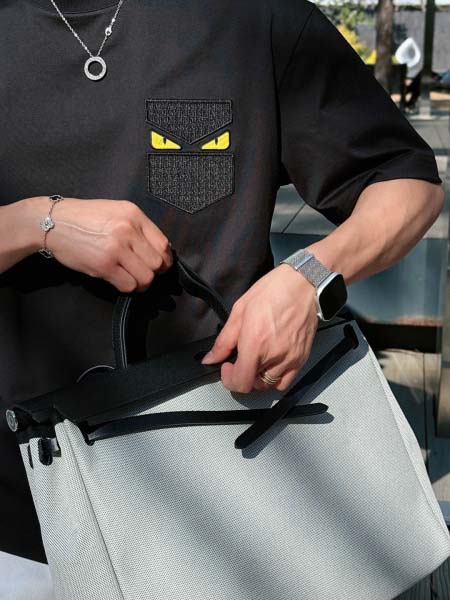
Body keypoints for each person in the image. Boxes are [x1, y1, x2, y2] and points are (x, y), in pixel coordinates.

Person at [0, 0, 444, 597]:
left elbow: (408, 182)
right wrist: (36, 224)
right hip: (20, 521)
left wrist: (309, 277)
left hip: (235, 496)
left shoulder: (251, 16)